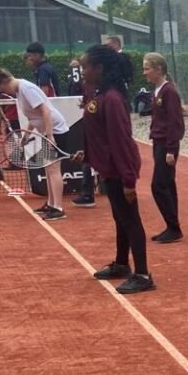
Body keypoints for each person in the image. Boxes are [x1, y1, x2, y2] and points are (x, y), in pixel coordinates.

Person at [80, 44, 154, 295]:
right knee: (120, 218)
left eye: (85, 66)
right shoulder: (100, 94)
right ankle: (122, 263)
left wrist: (128, 179)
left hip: (119, 170)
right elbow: (99, 134)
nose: (82, 71)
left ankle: (143, 274)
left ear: (99, 68)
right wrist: (88, 155)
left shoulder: (111, 99)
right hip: (109, 169)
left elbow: (120, 140)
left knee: (131, 220)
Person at [0, 67, 71, 220]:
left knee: (53, 169)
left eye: (1, 89)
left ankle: (58, 208)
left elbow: (45, 111)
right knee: (47, 168)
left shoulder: (26, 88)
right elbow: (33, 117)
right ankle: (51, 204)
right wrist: (25, 137)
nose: (4, 92)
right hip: (47, 131)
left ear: (4, 84)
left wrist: (50, 135)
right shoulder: (20, 90)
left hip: (56, 131)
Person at [142, 52, 184, 242]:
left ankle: (173, 226)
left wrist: (171, 149)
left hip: (166, 144)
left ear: (159, 69)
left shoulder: (169, 92)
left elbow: (176, 122)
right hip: (158, 141)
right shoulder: (157, 91)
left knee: (158, 185)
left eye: (147, 68)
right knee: (167, 184)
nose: (145, 73)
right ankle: (172, 225)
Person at [105, 34, 135, 106]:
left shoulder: (123, 57)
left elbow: (127, 73)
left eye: (108, 45)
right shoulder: (110, 57)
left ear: (116, 44)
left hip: (120, 87)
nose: (106, 47)